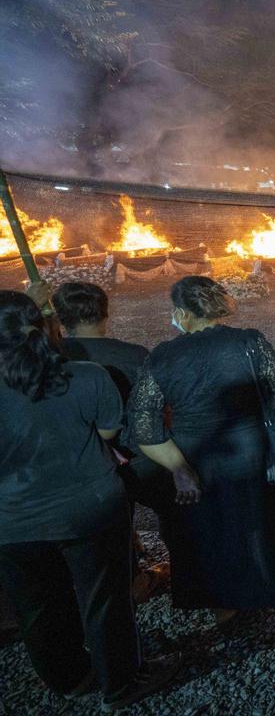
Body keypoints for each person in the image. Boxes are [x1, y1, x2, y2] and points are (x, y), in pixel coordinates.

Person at [0, 291, 179, 711]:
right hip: (88, 509)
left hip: (11, 520)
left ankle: (69, 677)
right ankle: (122, 682)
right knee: (105, 598)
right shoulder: (85, 376)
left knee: (38, 606)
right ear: (46, 328)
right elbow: (106, 435)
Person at [127, 276, 275, 628]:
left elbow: (143, 425)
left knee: (210, 531)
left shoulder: (163, 356)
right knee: (270, 524)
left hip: (199, 456)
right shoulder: (249, 342)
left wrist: (178, 467)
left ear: (181, 312)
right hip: (253, 451)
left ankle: (224, 607)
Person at [51, 281, 174, 602]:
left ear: (61, 319)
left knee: (110, 528)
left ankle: (129, 576)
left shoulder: (50, 358)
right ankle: (190, 571)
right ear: (106, 312)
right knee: (176, 509)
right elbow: (161, 408)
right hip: (139, 458)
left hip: (83, 464)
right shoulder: (133, 355)